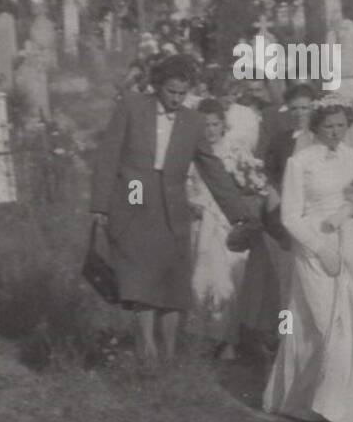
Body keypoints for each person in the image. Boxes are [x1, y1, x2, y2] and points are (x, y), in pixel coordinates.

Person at [90, 55, 248, 371]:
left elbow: (212, 169)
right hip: (133, 204)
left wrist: (240, 214)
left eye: (182, 93)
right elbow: (108, 156)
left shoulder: (193, 122)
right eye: (171, 92)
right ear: (157, 85)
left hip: (173, 208)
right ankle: (147, 352)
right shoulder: (132, 107)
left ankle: (170, 355)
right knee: (140, 280)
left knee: (173, 285)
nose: (176, 99)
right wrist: (100, 206)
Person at [263, 100, 353, 422]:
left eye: (341, 126)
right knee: (325, 326)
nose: (335, 133)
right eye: (328, 127)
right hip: (317, 245)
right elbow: (290, 215)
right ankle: (311, 403)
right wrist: (320, 248)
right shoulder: (299, 162)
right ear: (315, 128)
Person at [186, 99, 250, 359]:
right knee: (205, 277)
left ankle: (232, 338)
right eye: (205, 125)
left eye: (215, 124)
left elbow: (251, 182)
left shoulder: (236, 151)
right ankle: (209, 335)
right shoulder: (192, 154)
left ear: (224, 125)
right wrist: (191, 203)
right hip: (203, 220)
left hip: (230, 220)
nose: (211, 130)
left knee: (233, 278)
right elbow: (185, 185)